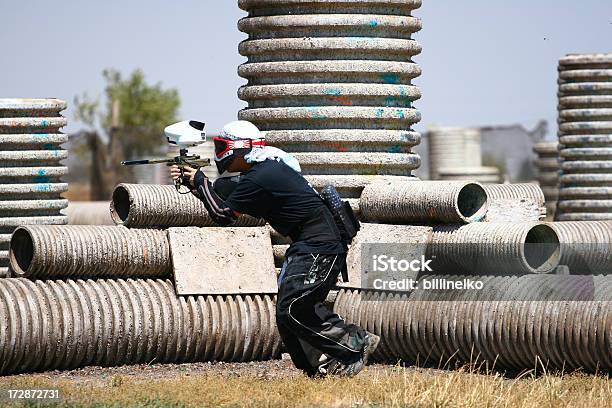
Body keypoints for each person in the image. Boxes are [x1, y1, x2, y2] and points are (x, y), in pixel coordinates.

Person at [170, 120, 379, 377]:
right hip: (309, 244)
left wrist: (200, 181)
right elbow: (222, 199)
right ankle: (319, 367)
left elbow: (222, 215)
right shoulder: (262, 172)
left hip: (319, 244)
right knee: (289, 312)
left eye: (222, 146)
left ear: (239, 148)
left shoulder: (261, 176)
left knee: (293, 307)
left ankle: (354, 344)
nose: (219, 152)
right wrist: (197, 186)